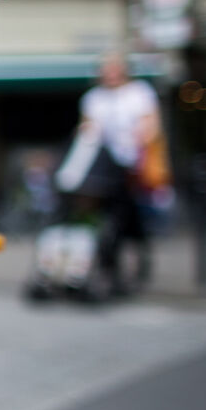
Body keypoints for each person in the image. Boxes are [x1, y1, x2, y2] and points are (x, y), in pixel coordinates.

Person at [53, 53, 162, 293]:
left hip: (130, 166)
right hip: (102, 167)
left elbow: (150, 126)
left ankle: (135, 257)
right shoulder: (94, 98)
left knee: (130, 218)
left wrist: (139, 139)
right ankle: (105, 266)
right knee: (105, 219)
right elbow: (87, 129)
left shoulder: (139, 93)